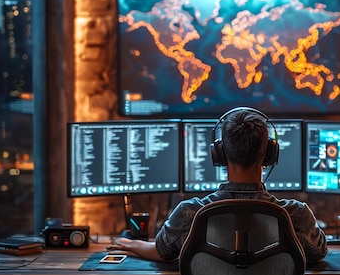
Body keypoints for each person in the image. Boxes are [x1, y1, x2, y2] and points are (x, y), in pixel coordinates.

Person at [107, 107, 328, 263]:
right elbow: (318, 254)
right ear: (270, 155)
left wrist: (129, 243)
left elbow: (162, 251)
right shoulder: (297, 216)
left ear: (219, 155)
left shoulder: (190, 213)